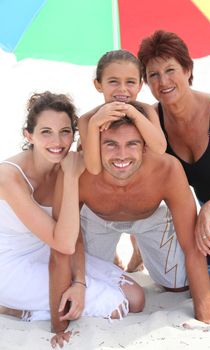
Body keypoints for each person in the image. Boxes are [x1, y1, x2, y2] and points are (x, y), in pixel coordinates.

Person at [51, 105, 210, 346]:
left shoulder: (167, 168)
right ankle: (115, 255)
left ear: (145, 146)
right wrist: (59, 324)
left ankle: (139, 249)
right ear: (95, 146)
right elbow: (66, 241)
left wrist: (205, 320)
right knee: (99, 283)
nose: (121, 155)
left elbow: (191, 245)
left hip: (150, 218)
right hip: (97, 220)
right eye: (110, 144)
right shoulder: (79, 171)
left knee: (178, 286)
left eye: (132, 144)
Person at [0, 92, 144, 339]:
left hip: (51, 253)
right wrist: (70, 177)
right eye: (46, 132)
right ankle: (13, 307)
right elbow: (63, 241)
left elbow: (71, 235)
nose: (57, 141)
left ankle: (39, 303)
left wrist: (79, 283)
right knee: (115, 306)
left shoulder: (64, 164)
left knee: (136, 297)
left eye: (65, 131)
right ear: (29, 135)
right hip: (10, 265)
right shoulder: (9, 177)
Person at [137, 29, 210, 296]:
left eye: (170, 70)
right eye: (153, 75)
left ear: (188, 69)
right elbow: (144, 181)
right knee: (204, 284)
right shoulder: (154, 121)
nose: (163, 81)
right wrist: (137, 247)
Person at [78, 49, 167, 272]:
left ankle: (138, 250)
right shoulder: (88, 119)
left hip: (143, 199)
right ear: (98, 85)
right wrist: (95, 126)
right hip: (104, 203)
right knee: (98, 270)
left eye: (130, 82)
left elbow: (159, 149)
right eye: (113, 81)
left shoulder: (146, 111)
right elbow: (94, 167)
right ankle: (115, 254)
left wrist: (133, 114)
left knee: (174, 284)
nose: (122, 89)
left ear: (140, 85)